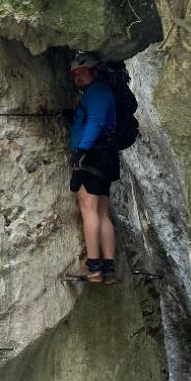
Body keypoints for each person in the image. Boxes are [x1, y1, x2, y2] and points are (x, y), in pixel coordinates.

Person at [65, 53, 120, 284]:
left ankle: (93, 267)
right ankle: (108, 268)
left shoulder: (96, 92)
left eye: (83, 72)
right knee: (101, 212)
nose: (78, 77)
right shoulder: (102, 92)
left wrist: (81, 150)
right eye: (75, 75)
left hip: (94, 155)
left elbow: (96, 122)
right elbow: (95, 120)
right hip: (106, 156)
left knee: (88, 208)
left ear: (95, 71)